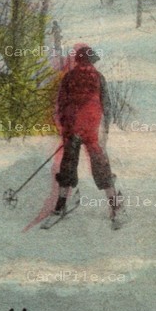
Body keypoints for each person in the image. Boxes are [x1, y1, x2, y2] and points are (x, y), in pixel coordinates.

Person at [50, 44, 123, 222]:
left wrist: (64, 126)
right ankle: (114, 204)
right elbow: (107, 105)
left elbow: (60, 104)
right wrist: (105, 126)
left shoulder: (68, 77)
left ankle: (60, 204)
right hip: (91, 129)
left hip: (72, 128)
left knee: (68, 164)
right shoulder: (98, 77)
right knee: (100, 164)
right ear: (92, 60)